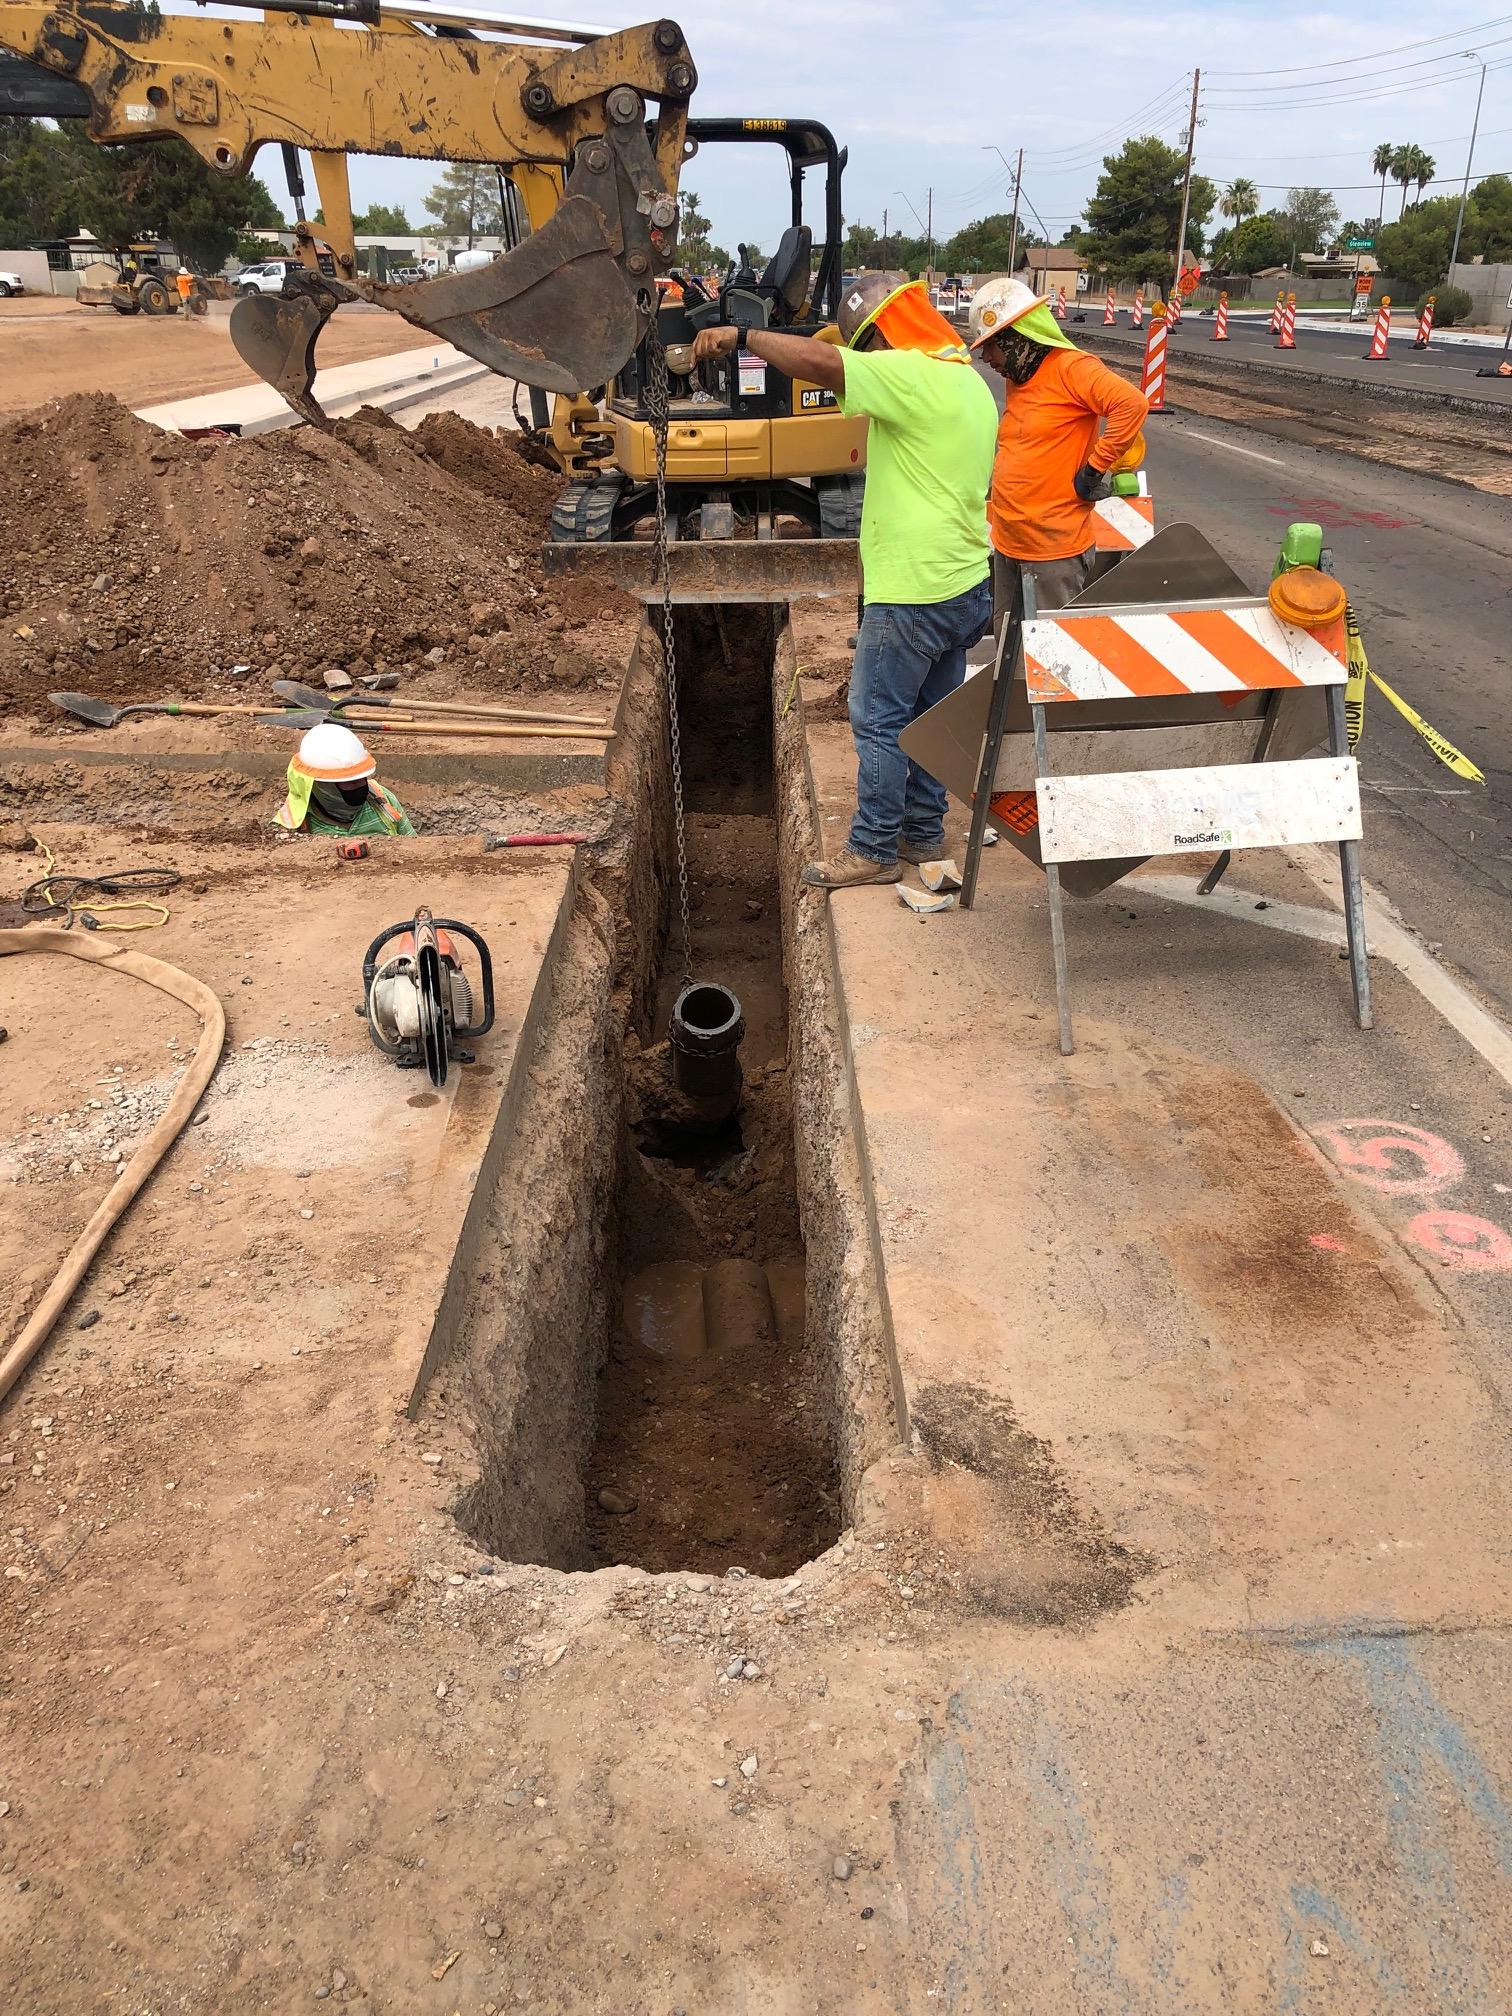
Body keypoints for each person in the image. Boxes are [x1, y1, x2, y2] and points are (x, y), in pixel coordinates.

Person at [692, 274, 997, 888]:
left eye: (869, 343)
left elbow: (825, 362)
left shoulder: (909, 374)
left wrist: (744, 334)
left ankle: (874, 848)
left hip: (913, 589)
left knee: (877, 713)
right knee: (931, 715)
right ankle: (922, 833)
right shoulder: (968, 384)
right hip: (965, 581)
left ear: (886, 332)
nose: (869, 355)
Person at [968, 276, 1149, 625]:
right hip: (1010, 544)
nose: (986, 356)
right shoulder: (1019, 376)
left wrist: (1094, 468)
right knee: (1010, 655)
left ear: (1017, 338)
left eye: (991, 346)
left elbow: (1132, 404)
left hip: (1053, 552)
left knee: (1048, 666)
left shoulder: (1072, 369)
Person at [273, 722, 415, 836]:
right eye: (348, 781)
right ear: (321, 786)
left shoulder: (382, 798)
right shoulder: (294, 824)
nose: (359, 786)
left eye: (361, 778)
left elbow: (415, 848)